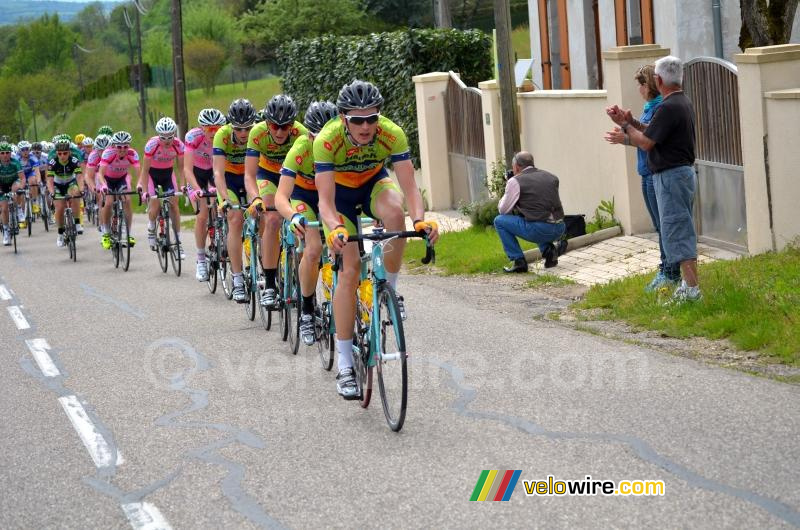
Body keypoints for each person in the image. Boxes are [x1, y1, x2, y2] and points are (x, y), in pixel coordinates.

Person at [314, 80, 439, 399]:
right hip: (339, 197)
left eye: (372, 118)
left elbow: (410, 187)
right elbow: (325, 201)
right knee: (350, 271)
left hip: (373, 184)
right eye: (358, 120)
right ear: (344, 119)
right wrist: (334, 227)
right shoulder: (326, 141)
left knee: (396, 215)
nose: (367, 126)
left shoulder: (391, 132)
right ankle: (344, 365)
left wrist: (420, 219)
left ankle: (391, 291)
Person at [606, 55, 701, 303]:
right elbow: (653, 132)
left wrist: (625, 127)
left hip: (672, 177)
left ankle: (692, 291)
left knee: (677, 231)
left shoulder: (668, 106)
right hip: (677, 176)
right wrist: (630, 122)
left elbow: (647, 142)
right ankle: (686, 285)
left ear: (658, 80)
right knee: (674, 230)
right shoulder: (679, 102)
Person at [276, 100, 338, 346]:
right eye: (317, 137)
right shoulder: (300, 148)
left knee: (344, 244)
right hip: (304, 197)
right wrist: (293, 216)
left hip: (331, 195)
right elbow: (281, 195)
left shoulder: (343, 144)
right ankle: (307, 311)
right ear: (309, 134)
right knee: (312, 250)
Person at [244, 94, 308, 308]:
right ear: (267, 123)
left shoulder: (301, 133)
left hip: (294, 176)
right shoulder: (258, 132)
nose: (280, 131)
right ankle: (270, 285)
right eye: (274, 125)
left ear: (292, 124)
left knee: (303, 224)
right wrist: (255, 198)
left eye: (285, 126)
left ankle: (301, 278)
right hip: (268, 175)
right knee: (272, 219)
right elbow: (250, 174)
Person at [493, 151, 565, 273]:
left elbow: (503, 210)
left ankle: (518, 261)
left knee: (499, 221)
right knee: (535, 217)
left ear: (516, 166)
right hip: (560, 228)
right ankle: (549, 253)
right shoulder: (551, 177)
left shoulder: (515, 181)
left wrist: (508, 186)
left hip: (540, 230)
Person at [213, 99, 254, 303]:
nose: (244, 133)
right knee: (235, 219)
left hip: (250, 178)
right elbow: (218, 173)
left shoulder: (257, 134)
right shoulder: (222, 136)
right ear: (231, 126)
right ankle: (237, 279)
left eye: (248, 128)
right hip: (228, 180)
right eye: (239, 129)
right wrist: (225, 200)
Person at [185, 108, 227, 281]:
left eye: (217, 128)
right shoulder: (193, 137)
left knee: (224, 208)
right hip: (196, 175)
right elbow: (186, 169)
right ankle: (201, 260)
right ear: (202, 128)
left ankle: (222, 239)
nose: (213, 132)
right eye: (209, 128)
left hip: (213, 174)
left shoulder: (224, 137)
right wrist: (196, 189)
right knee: (202, 216)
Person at [138, 117, 185, 256]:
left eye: (170, 137)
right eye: (163, 137)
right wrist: (145, 191)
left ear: (174, 135)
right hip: (152, 175)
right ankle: (152, 227)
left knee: (174, 206)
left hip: (168, 175)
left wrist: (183, 186)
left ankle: (177, 242)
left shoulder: (178, 145)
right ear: (159, 135)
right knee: (155, 205)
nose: (167, 140)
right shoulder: (151, 145)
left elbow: (182, 168)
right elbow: (145, 170)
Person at [98, 131, 139, 249]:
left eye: (125, 146)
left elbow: (139, 173)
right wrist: (103, 186)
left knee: (127, 200)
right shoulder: (108, 153)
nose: (122, 149)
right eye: (119, 147)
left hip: (121, 179)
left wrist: (140, 185)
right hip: (107, 180)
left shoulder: (132, 154)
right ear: (114, 146)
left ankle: (128, 233)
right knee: (109, 202)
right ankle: (106, 233)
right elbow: (100, 174)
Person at [47, 137, 84, 247]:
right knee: (59, 207)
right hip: (57, 185)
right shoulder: (52, 162)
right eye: (60, 154)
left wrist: (81, 189)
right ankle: (60, 233)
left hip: (70, 183)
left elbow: (79, 177)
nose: (62, 156)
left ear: (69, 153)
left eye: (65, 153)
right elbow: (49, 180)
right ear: (56, 153)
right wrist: (52, 192)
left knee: (76, 194)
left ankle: (77, 222)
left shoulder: (74, 161)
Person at [0, 142, 25, 246]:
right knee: (4, 209)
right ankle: (6, 231)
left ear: (11, 154)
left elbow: (22, 178)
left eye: (7, 153)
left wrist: (21, 188)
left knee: (16, 188)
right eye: (2, 153)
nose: (5, 155)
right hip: (2, 186)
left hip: (14, 182)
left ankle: (19, 209)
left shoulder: (15, 162)